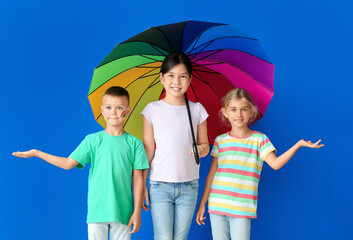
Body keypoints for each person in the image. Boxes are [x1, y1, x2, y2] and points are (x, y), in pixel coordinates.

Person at [12, 86, 149, 240]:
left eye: (119, 108)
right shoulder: (92, 141)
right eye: (109, 107)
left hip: (124, 212)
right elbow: (68, 163)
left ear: (128, 110)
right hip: (97, 212)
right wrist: (37, 153)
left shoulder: (135, 144)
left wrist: (137, 212)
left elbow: (138, 179)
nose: (114, 112)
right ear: (102, 110)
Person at [195, 88, 324, 240]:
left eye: (244, 109)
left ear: (251, 112)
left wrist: (298, 145)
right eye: (233, 109)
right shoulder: (220, 141)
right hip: (217, 205)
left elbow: (275, 164)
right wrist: (203, 203)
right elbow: (212, 174)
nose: (238, 114)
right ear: (225, 112)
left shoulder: (259, 139)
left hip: (242, 208)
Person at [141, 52, 209, 240]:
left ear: (190, 80)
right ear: (162, 78)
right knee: (163, 237)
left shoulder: (197, 110)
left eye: (182, 76)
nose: (176, 81)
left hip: (189, 186)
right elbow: (148, 149)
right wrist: (143, 186)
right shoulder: (151, 110)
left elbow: (206, 146)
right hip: (159, 184)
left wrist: (201, 149)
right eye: (170, 75)